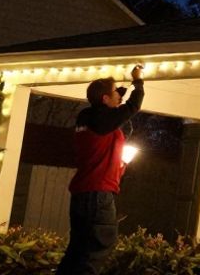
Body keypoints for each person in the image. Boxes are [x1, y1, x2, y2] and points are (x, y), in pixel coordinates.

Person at [56, 65, 144, 275]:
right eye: (115, 94)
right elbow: (133, 106)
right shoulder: (103, 120)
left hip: (82, 195)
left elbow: (117, 102)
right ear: (105, 99)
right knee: (97, 249)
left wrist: (121, 87)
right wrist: (138, 82)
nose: (120, 97)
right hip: (98, 195)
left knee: (77, 251)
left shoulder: (88, 118)